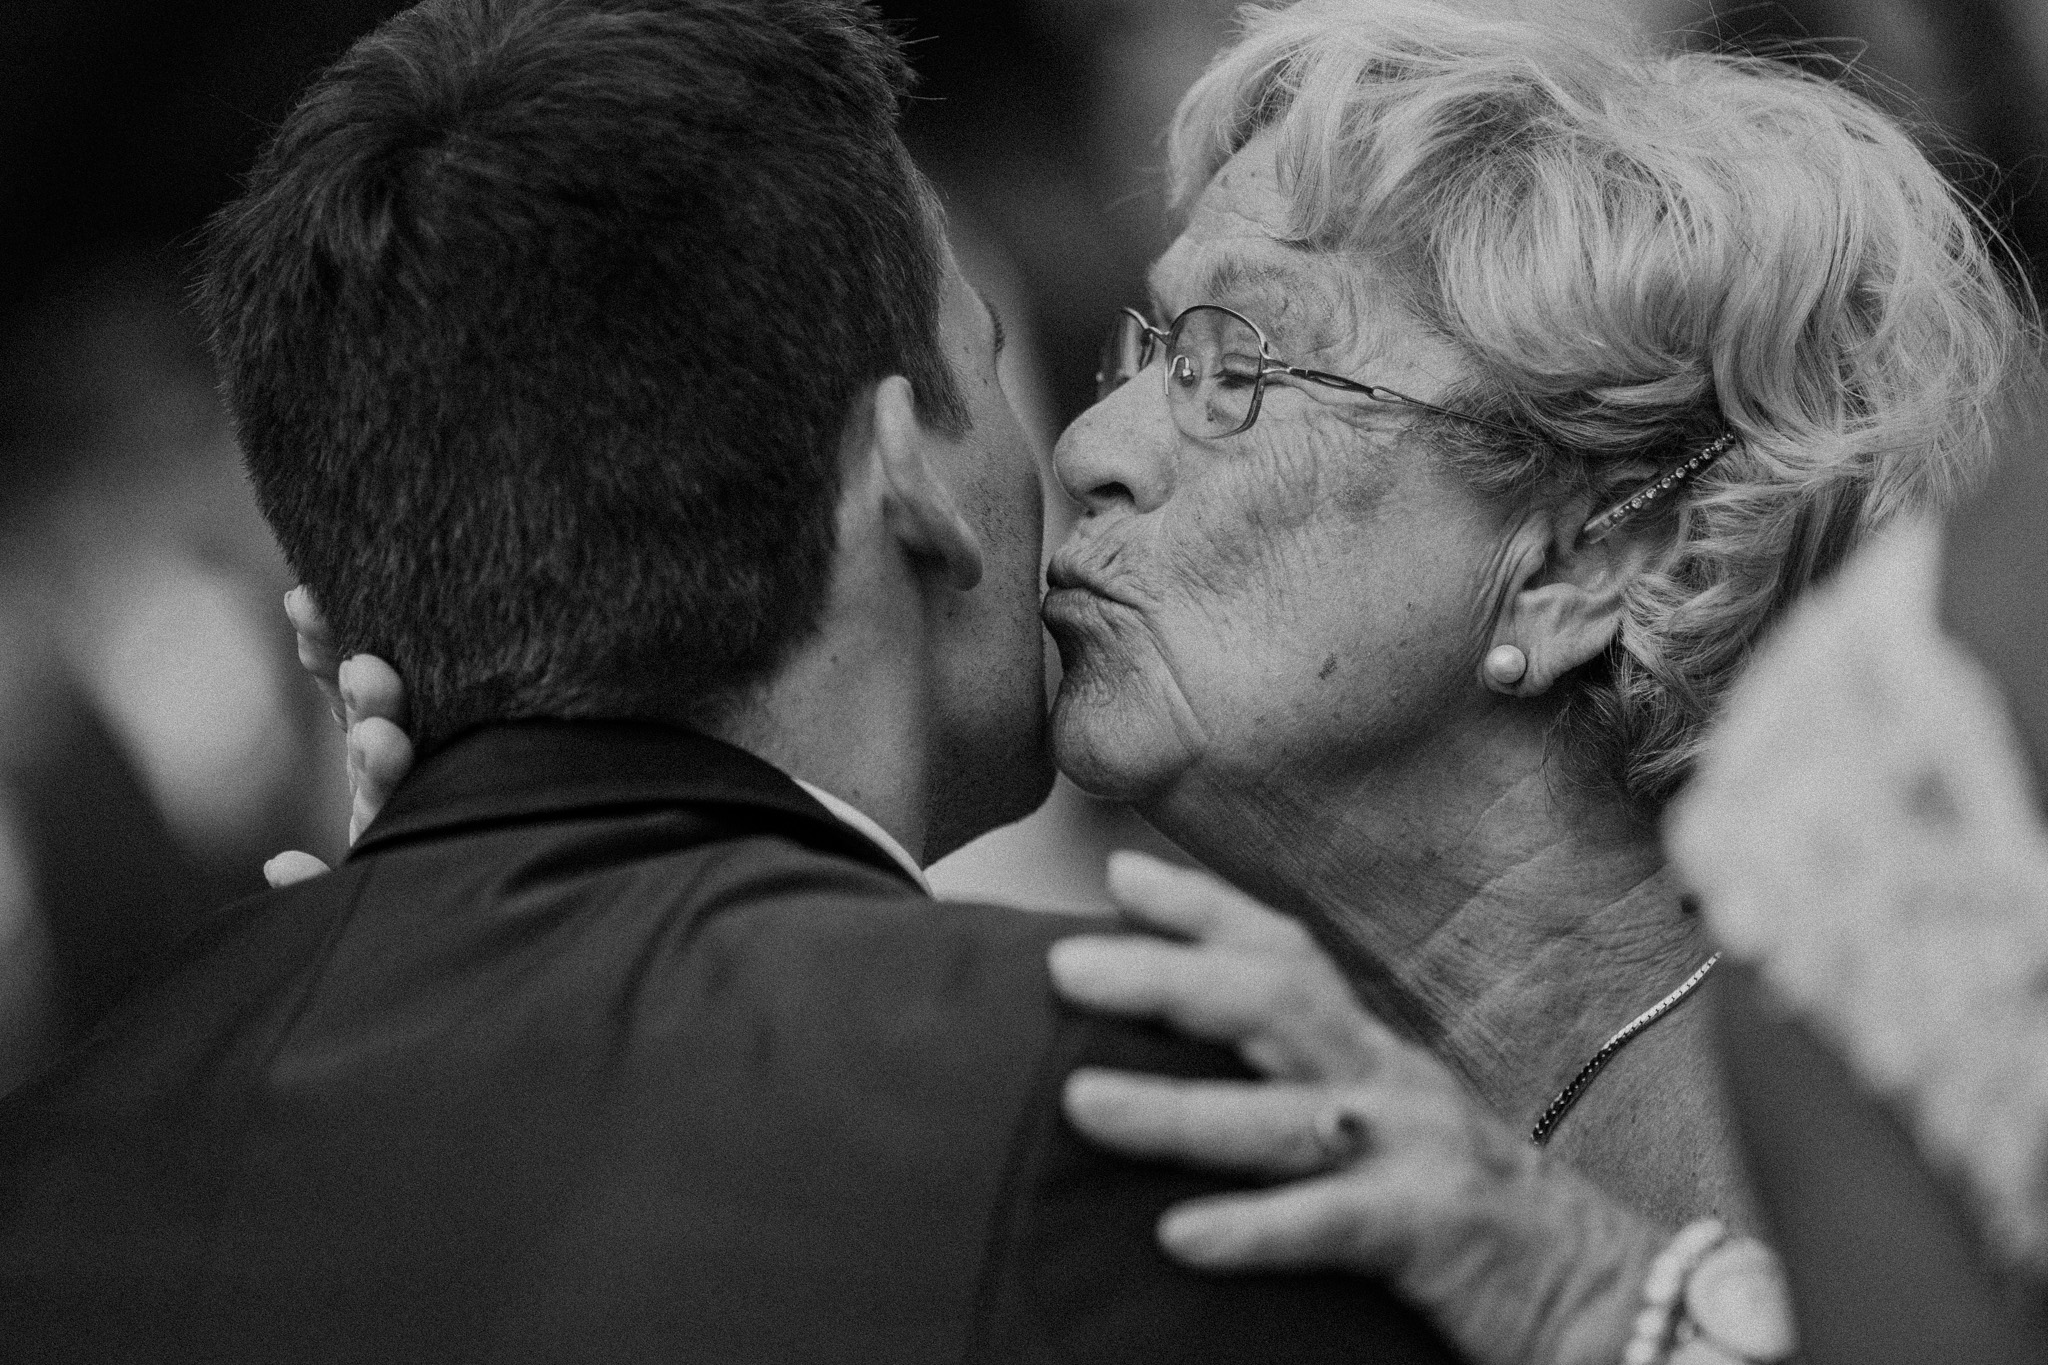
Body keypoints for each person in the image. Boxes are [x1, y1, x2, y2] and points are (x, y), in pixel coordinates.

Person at [293, 0, 2040, 1360]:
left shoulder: (1910, 1050)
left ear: (1604, 561)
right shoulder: (1176, 1092)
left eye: (1235, 365)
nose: (1102, 447)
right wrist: (509, 943)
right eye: (1143, 347)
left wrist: (1613, 1313)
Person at [0, 3, 1467, 1362]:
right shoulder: (1106, 1113)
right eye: (1000, 361)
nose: (1082, 452)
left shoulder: (64, 1144)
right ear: (906, 476)